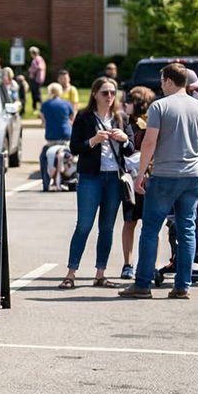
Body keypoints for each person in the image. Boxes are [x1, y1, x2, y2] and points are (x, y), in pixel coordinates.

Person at [122, 62, 198, 299]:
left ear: (168, 81)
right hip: (193, 175)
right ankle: (182, 286)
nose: (161, 86)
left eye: (162, 82)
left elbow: (149, 142)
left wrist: (140, 174)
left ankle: (142, 284)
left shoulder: (160, 106)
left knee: (150, 229)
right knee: (186, 228)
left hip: (165, 175)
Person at [60, 77, 131, 289]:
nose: (109, 96)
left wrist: (124, 139)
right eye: (105, 92)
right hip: (91, 176)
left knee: (107, 228)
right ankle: (71, 273)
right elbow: (74, 148)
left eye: (112, 92)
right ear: (94, 94)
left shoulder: (121, 117)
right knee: (84, 225)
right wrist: (93, 141)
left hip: (114, 178)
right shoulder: (84, 117)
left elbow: (131, 148)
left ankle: (100, 273)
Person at [118, 86, 156, 279]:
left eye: (130, 101)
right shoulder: (125, 122)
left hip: (150, 176)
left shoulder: (153, 122)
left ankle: (147, 264)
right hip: (131, 177)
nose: (126, 104)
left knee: (150, 224)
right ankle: (128, 263)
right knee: (130, 221)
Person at [39, 82, 75, 191]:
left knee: (43, 157)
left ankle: (46, 184)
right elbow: (71, 119)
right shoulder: (67, 104)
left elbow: (43, 121)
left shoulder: (45, 105)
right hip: (66, 137)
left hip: (51, 139)